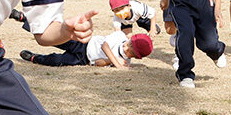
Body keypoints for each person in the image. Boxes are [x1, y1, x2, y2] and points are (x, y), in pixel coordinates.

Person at [22, 31, 153, 68]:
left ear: (135, 56)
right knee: (54, 37)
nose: (126, 48)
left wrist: (110, 62)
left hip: (83, 59)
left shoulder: (124, 62)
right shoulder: (120, 36)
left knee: (57, 60)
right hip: (84, 43)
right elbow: (104, 46)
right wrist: (117, 63)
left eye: (130, 51)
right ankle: (27, 21)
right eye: (129, 44)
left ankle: (35, 58)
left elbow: (97, 63)